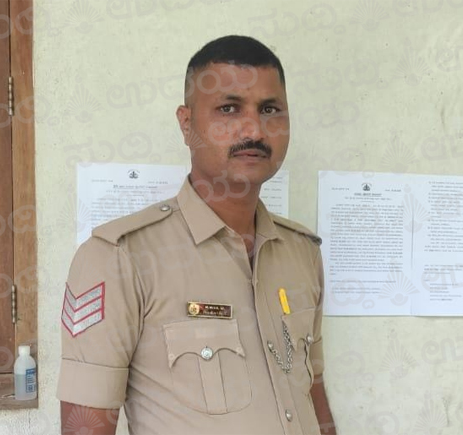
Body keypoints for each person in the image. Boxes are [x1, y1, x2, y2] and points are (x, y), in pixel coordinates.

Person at [58, 35, 336, 435]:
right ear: (186, 124)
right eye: (229, 108)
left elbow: (312, 386)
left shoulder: (301, 251)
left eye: (270, 109)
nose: (254, 128)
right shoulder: (120, 257)